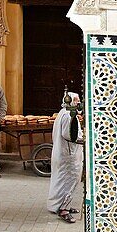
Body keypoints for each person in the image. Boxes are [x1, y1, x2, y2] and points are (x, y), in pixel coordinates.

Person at [47, 91, 84, 223]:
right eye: (77, 100)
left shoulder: (62, 112)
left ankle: (59, 205)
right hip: (69, 156)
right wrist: (84, 139)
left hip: (63, 154)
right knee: (70, 181)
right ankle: (63, 209)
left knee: (61, 181)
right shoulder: (68, 115)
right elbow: (69, 135)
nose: (79, 103)